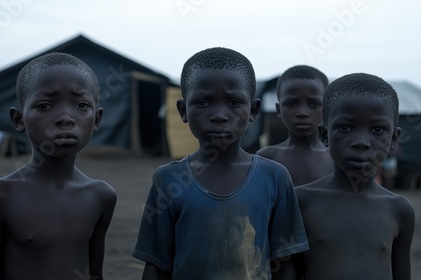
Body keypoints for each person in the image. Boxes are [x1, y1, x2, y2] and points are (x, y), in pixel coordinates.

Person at [132, 47, 308, 279]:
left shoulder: (274, 177)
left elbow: (284, 263)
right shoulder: (168, 179)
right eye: (203, 102)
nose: (219, 115)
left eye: (234, 102)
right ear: (183, 111)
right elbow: (156, 266)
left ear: (253, 110)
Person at [0, 53, 117, 280]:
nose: (65, 118)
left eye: (81, 105)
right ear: (18, 119)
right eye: (45, 105)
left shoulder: (102, 196)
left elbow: (95, 274)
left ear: (96, 120)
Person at [294, 73, 415, 279]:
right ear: (325, 135)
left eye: (377, 129)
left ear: (393, 139)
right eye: (345, 127)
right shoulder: (300, 202)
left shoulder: (399, 210)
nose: (361, 141)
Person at [257, 65, 333, 186]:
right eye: (291, 104)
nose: (302, 113)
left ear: (327, 109)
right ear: (278, 110)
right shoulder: (266, 158)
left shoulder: (335, 159)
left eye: (313, 104)